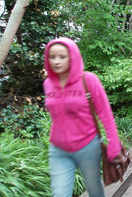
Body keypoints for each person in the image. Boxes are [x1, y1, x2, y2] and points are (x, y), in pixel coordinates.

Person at [43, 37, 122, 197]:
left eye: (62, 57)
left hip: (88, 146)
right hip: (58, 150)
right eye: (52, 57)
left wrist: (114, 143)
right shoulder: (48, 84)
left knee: (94, 188)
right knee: (59, 193)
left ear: (72, 57)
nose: (56, 61)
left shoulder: (88, 80)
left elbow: (105, 114)